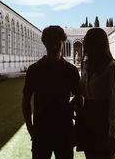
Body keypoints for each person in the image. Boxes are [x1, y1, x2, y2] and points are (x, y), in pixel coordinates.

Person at [22, 25, 82, 159]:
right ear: (44, 43)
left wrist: (71, 106)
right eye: (50, 43)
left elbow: (79, 97)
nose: (55, 47)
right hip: (41, 131)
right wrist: (31, 129)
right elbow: (25, 101)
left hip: (64, 131)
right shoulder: (34, 70)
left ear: (63, 43)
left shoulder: (71, 71)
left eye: (57, 43)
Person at [77, 28, 115, 159]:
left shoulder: (111, 66)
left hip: (103, 119)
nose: (85, 45)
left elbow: (114, 100)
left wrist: (113, 134)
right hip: (87, 119)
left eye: (88, 42)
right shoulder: (85, 65)